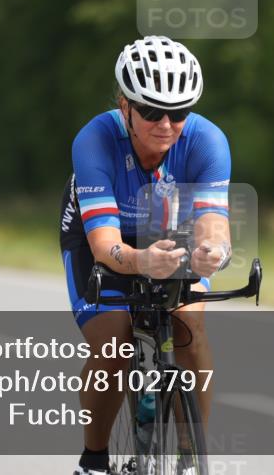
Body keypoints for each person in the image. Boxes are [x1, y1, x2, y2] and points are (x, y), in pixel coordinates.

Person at [59, 36, 233, 475]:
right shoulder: (94, 140)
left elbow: (213, 222)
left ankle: (191, 457)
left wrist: (216, 251)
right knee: (114, 341)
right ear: (125, 106)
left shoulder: (208, 141)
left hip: (170, 231)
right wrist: (139, 262)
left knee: (189, 326)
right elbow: (105, 246)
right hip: (100, 234)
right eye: (152, 111)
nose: (166, 124)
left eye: (179, 112)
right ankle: (94, 460)